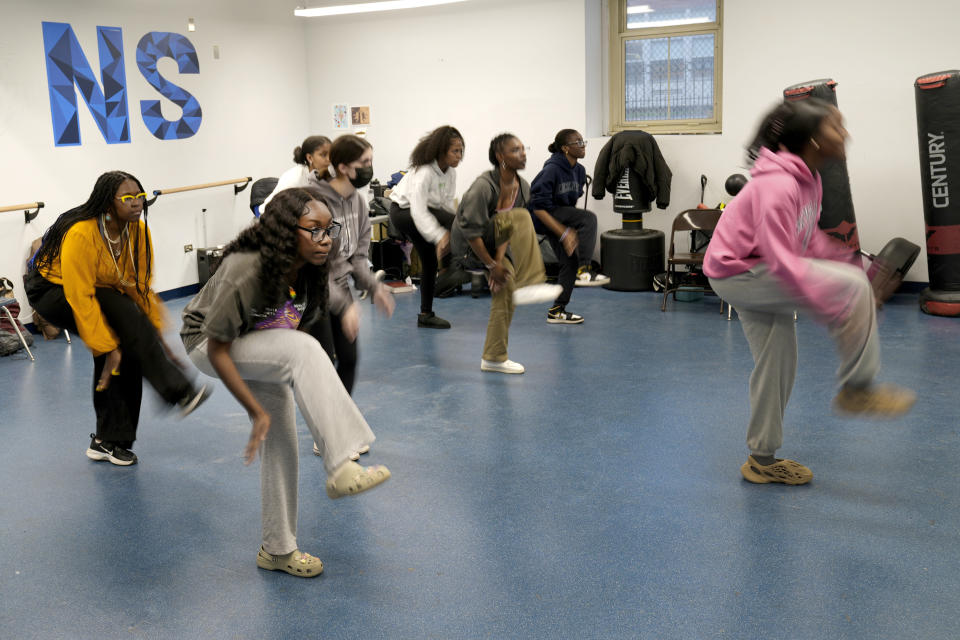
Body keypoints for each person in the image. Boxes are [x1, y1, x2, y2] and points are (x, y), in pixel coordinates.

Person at [180, 187, 391, 578]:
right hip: (208, 342)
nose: (325, 240)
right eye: (314, 229)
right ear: (283, 230)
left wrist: (345, 307)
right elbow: (218, 350)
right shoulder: (247, 269)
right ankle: (341, 463)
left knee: (283, 439)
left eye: (330, 230)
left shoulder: (310, 265)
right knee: (303, 350)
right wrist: (253, 410)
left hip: (258, 336)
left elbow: (319, 299)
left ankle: (277, 549)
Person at [704, 99, 916, 486]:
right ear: (813, 141)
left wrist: (854, 267)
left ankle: (761, 459)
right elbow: (783, 260)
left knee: (778, 358)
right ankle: (858, 388)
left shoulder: (808, 180)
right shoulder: (777, 185)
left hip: (755, 269)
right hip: (739, 271)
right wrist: (838, 308)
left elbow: (807, 239)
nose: (845, 133)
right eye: (836, 126)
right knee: (850, 290)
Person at [24, 170, 210, 466]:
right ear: (108, 203)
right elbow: (80, 298)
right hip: (52, 289)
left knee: (131, 349)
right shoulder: (82, 233)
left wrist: (156, 337)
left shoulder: (137, 231)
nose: (137, 203)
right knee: (118, 333)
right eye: (127, 198)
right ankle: (178, 391)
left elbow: (140, 286)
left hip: (99, 290)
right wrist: (106, 347)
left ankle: (108, 440)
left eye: (139, 196)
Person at [450, 133, 563, 374]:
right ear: (500, 157)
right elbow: (471, 233)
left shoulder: (522, 187)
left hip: (494, 246)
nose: (522, 154)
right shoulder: (483, 187)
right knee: (521, 217)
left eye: (523, 149)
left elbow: (507, 230)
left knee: (505, 288)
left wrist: (499, 264)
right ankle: (531, 282)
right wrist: (490, 265)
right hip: (470, 249)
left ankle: (493, 357)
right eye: (515, 150)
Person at [311, 134, 395, 397]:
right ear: (344, 167)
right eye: (364, 162)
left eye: (371, 160)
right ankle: (325, 431)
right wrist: (345, 306)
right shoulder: (317, 202)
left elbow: (357, 257)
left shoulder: (358, 202)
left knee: (349, 359)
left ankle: (340, 424)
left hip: (339, 285)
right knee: (322, 363)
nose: (370, 167)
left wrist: (374, 286)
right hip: (312, 288)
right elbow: (316, 265)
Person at [529, 128, 610, 324]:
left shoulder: (579, 171)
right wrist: (564, 232)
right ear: (565, 148)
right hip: (542, 216)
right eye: (578, 142)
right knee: (589, 218)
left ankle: (557, 310)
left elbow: (570, 205)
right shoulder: (551, 170)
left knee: (569, 262)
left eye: (583, 142)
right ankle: (584, 269)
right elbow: (538, 206)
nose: (583, 146)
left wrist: (571, 230)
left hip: (561, 216)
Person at [388, 125, 463, 329]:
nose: (459, 156)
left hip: (425, 213)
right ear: (441, 151)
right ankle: (451, 268)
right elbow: (418, 211)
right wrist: (440, 236)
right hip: (403, 212)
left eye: (461, 151)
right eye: (455, 151)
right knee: (452, 223)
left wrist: (448, 232)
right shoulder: (425, 172)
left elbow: (446, 205)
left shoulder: (450, 174)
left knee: (429, 261)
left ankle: (426, 314)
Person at [261, 135, 331, 210]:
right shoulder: (294, 177)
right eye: (323, 155)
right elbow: (281, 208)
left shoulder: (327, 174)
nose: (329, 159)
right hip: (271, 214)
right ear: (309, 158)